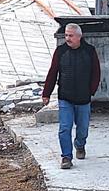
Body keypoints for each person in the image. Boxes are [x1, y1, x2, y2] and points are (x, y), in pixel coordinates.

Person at [40, 23, 101, 169]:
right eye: (66, 35)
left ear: (79, 37)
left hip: (83, 98)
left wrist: (91, 91)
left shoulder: (89, 51)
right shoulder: (60, 52)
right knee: (64, 128)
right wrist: (46, 93)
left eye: (71, 35)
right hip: (65, 97)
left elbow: (96, 73)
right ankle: (66, 157)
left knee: (82, 129)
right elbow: (53, 72)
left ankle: (80, 145)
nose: (67, 38)